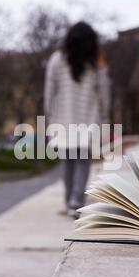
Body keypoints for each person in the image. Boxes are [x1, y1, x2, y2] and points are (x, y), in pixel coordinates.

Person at [44, 22, 110, 218]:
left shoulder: (57, 60)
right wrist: (103, 114)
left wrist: (49, 117)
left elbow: (49, 92)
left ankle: (69, 201)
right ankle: (76, 201)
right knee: (82, 161)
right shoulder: (96, 64)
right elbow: (105, 93)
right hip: (88, 120)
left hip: (63, 120)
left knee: (68, 162)